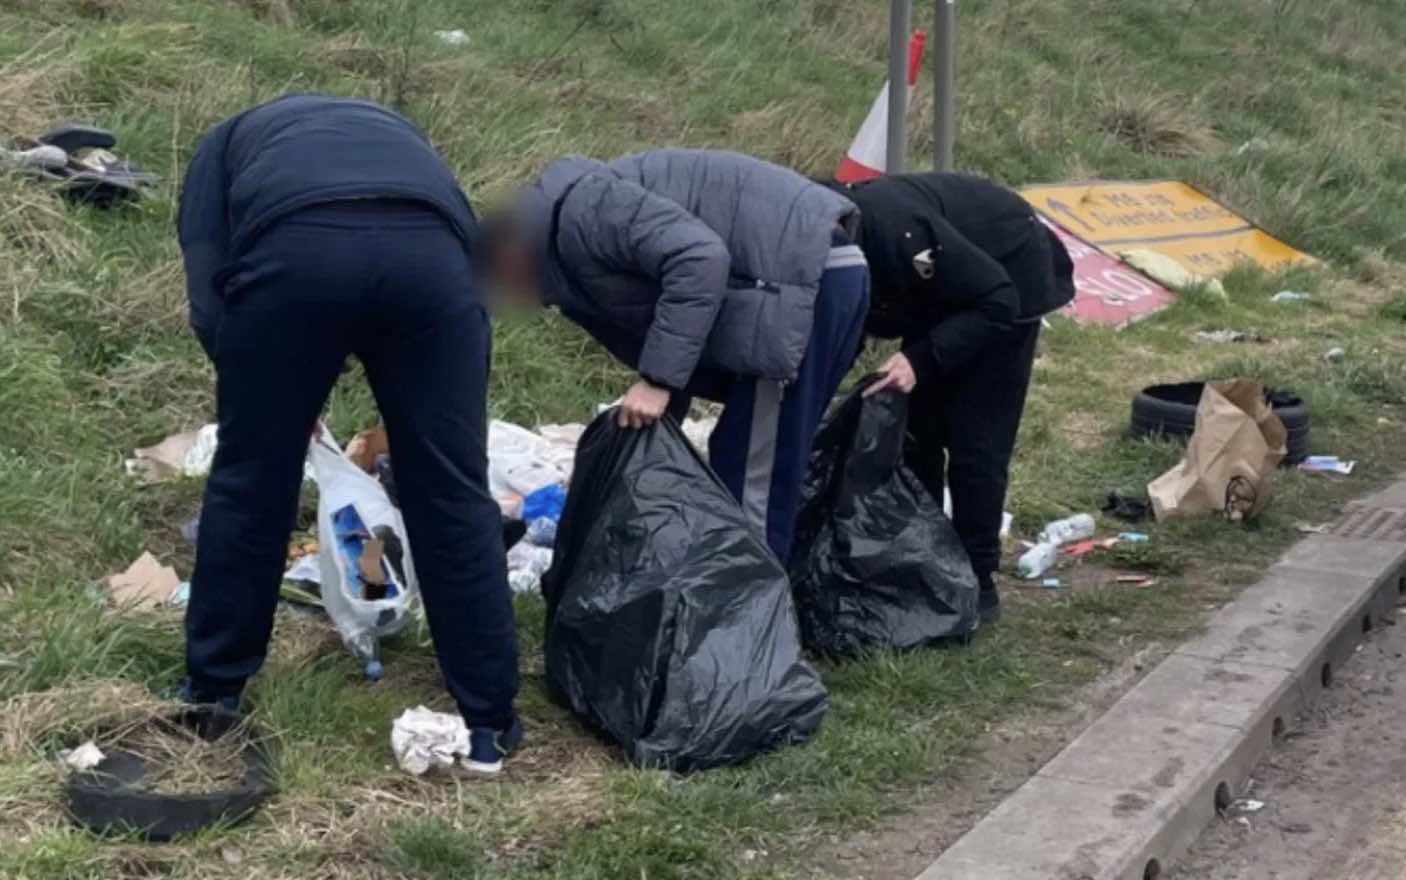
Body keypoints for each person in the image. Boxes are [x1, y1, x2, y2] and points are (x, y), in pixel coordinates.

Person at [177, 95, 521, 773]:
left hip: (296, 254)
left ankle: (214, 694)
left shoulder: (221, 146)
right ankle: (489, 724)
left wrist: (270, 392)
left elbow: (207, 292)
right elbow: (466, 249)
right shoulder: (404, 133)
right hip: (433, 267)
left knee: (254, 481)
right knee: (450, 491)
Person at [484, 149, 870, 561]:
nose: (515, 301)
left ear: (511, 252)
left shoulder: (585, 211)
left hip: (799, 283)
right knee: (746, 459)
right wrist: (660, 415)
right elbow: (673, 318)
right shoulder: (568, 249)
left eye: (504, 287)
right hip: (805, 280)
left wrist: (658, 381)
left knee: (752, 484)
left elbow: (700, 259)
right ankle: (744, 604)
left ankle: (747, 616)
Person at [825, 172, 1075, 624]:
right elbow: (850, 324)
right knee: (918, 430)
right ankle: (927, 558)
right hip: (941, 291)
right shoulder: (836, 242)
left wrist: (921, 358)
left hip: (1008, 278)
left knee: (976, 441)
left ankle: (979, 581)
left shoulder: (898, 235)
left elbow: (996, 301)